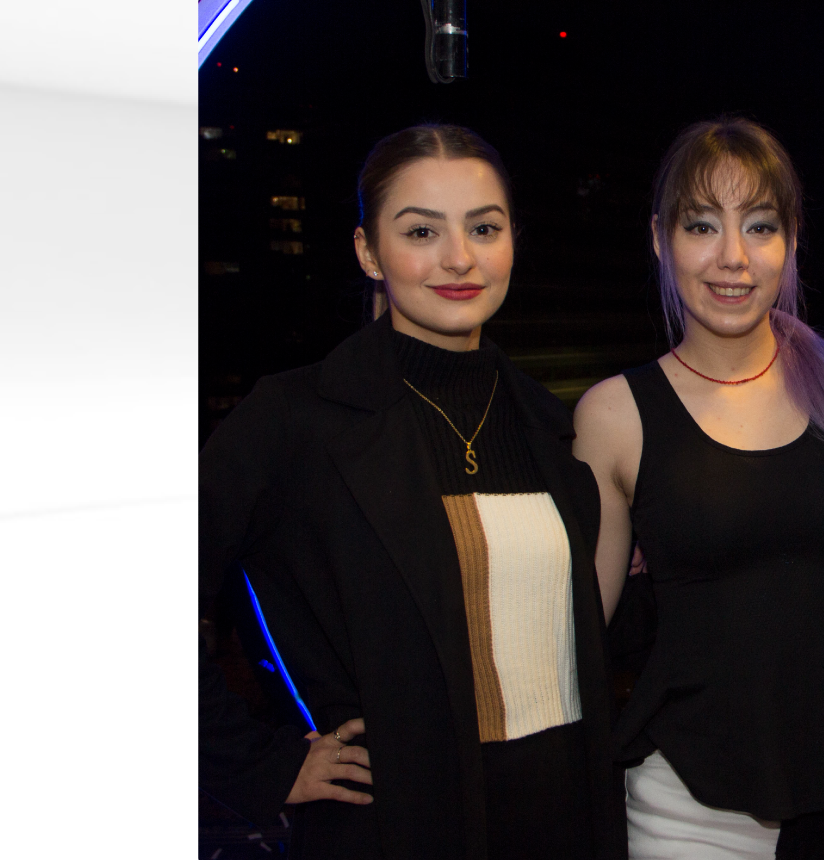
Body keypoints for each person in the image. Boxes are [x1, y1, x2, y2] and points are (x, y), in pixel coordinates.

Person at [198, 124, 625, 860]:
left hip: (563, 816)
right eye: (421, 231)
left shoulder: (549, 427)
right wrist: (261, 765)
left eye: (483, 228)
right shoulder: (292, 421)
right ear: (368, 251)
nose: (459, 257)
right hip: (394, 825)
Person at [572, 118, 824, 859]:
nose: (732, 257)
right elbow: (577, 628)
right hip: (692, 802)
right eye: (701, 225)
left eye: (759, 226)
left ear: (791, 241)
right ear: (660, 239)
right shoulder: (615, 414)